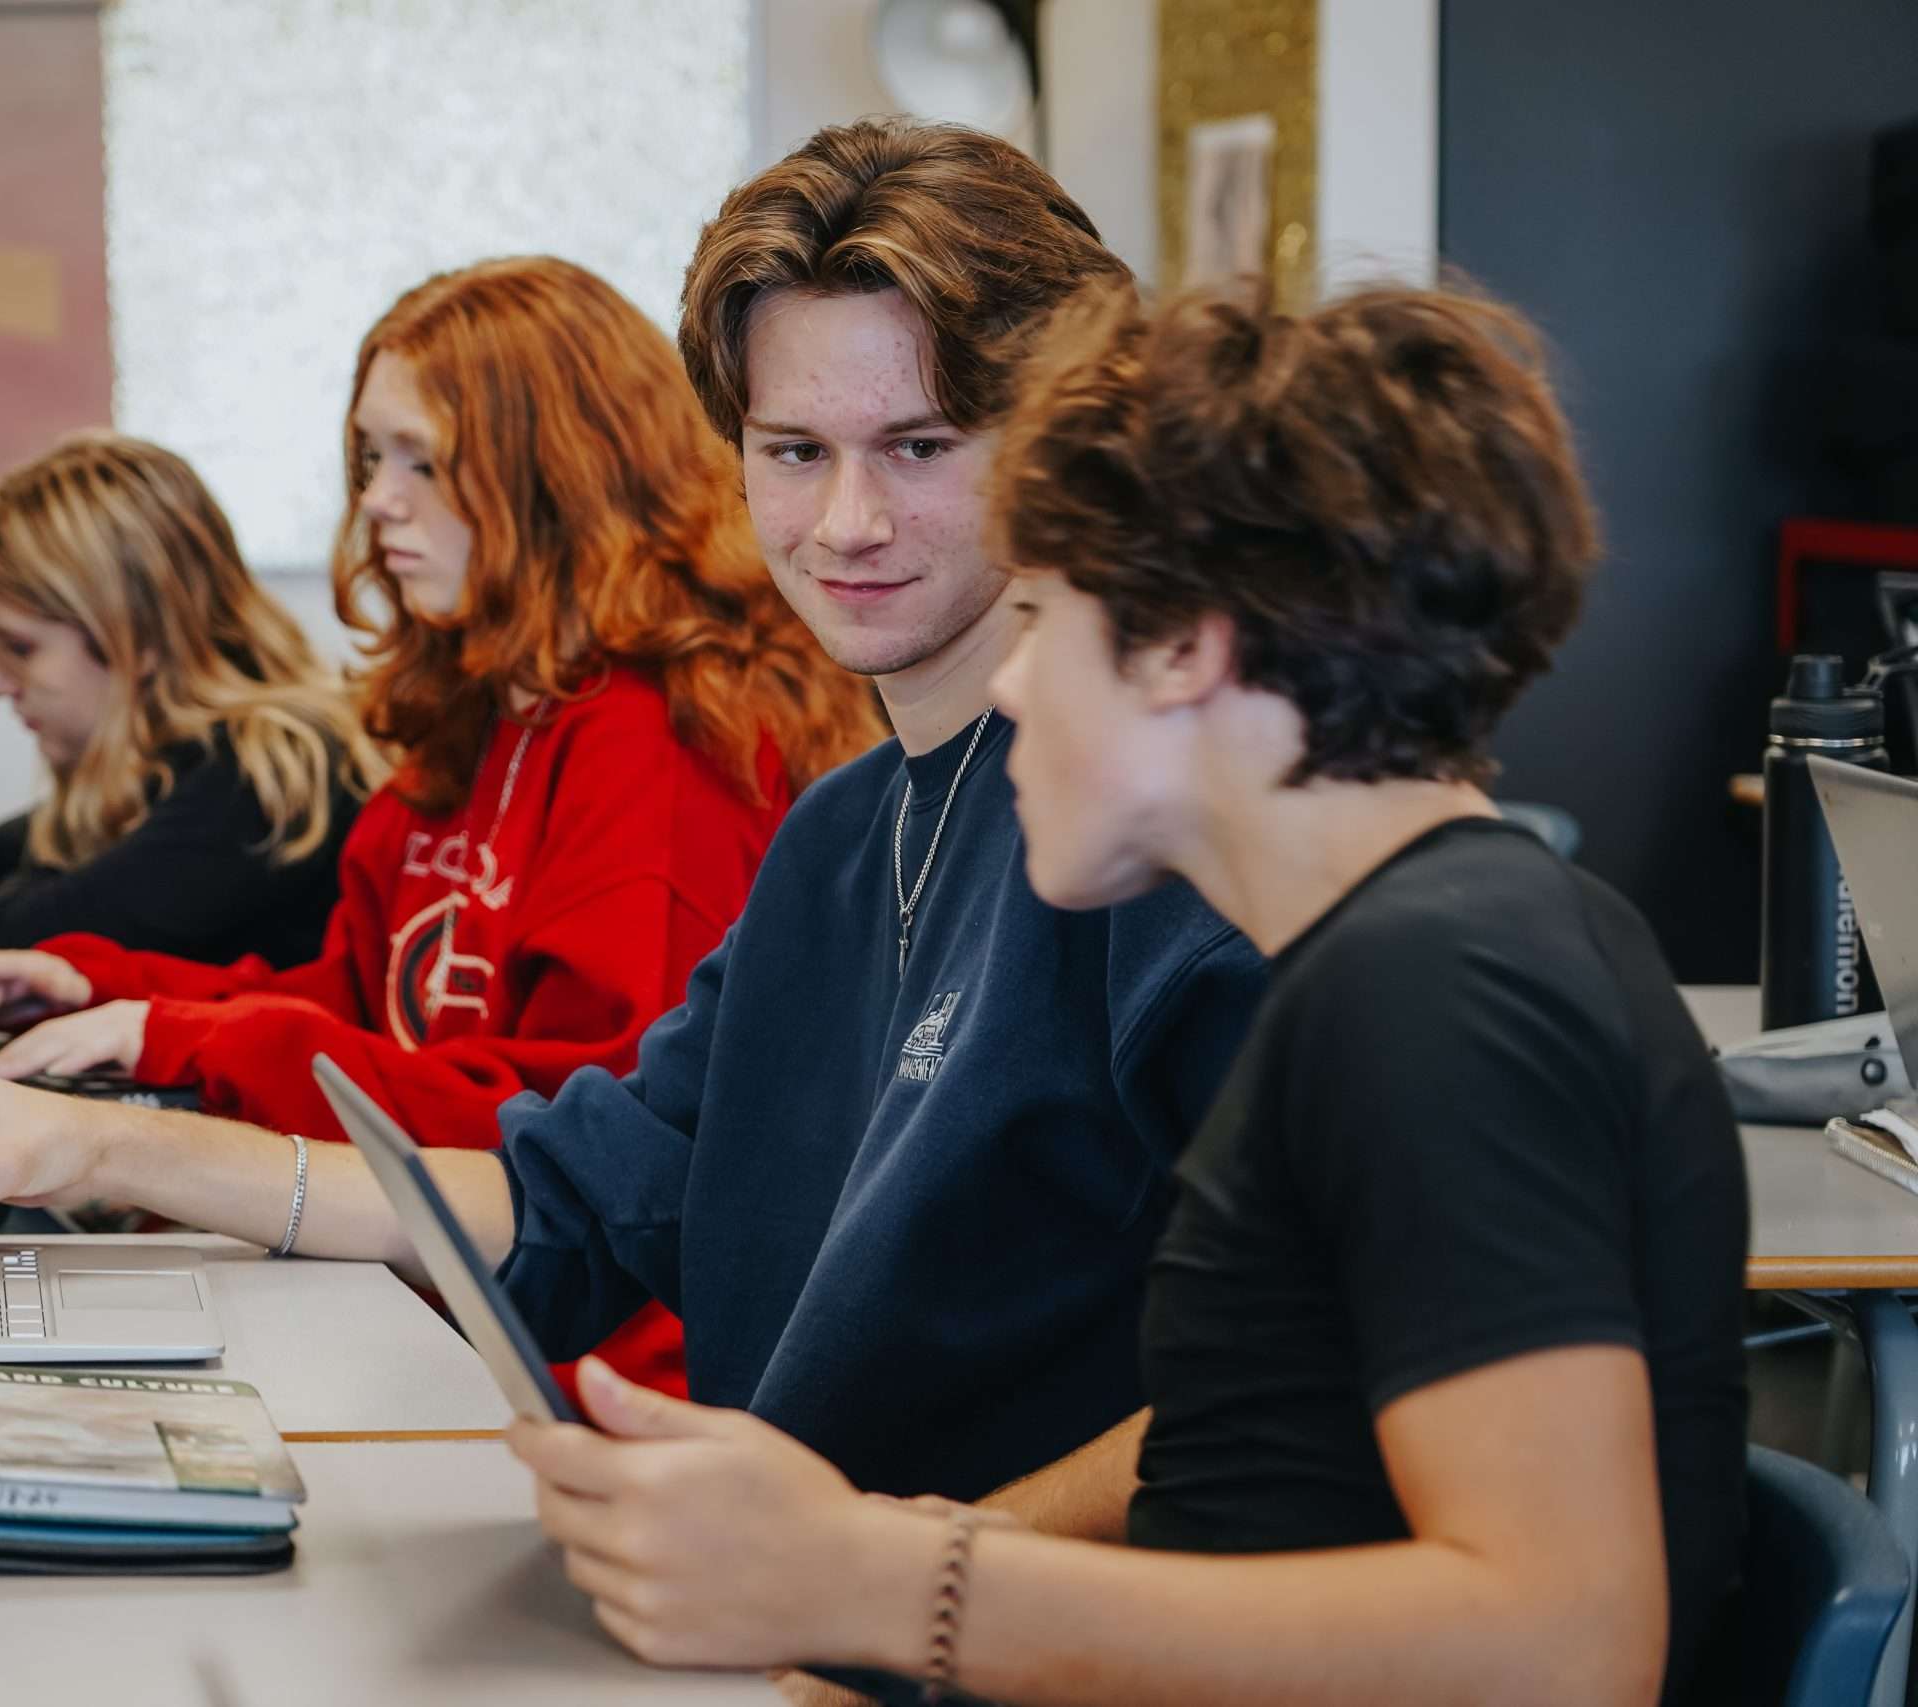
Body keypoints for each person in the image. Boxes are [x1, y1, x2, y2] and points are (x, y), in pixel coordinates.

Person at [0, 121, 1261, 1489]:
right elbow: (567, 1197)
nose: (846, 523)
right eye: (791, 452)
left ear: (1067, 444)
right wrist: (108, 1135)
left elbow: (1277, 1398)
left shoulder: (1175, 852)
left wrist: (900, 1602)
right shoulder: (839, 837)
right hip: (760, 1583)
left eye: (920, 445)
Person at [502, 281, 1749, 1707]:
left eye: (1041, 619)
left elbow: (1565, 1647)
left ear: (1184, 645)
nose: (1016, 689)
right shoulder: (1396, 959)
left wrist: (886, 1582)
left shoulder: (1437, 991)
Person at [0, 255, 882, 1393]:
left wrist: (185, 1039)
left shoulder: (658, 745)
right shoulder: (484, 711)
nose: (376, 500)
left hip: (574, 1371)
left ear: (554, 473)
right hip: (420, 1298)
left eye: (423, 460)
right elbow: (368, 1006)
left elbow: (565, 1127)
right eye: (370, 459)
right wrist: (123, 995)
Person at [0, 432, 375, 972]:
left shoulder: (270, 773)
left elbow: (35, 940)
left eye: (20, 649)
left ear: (138, 637)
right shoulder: (163, 764)